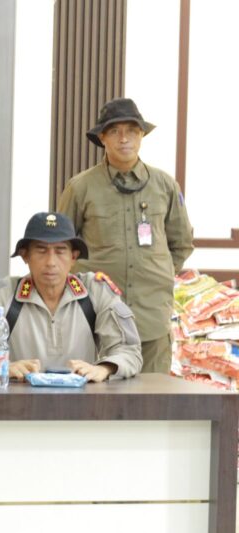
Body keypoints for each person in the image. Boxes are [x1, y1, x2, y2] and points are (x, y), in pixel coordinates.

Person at [58, 98, 194, 373]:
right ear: (102, 137)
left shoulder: (165, 185)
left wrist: (158, 273)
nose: (124, 138)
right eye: (115, 131)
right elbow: (60, 247)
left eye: (131, 130)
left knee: (153, 394)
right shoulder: (81, 187)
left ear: (141, 135)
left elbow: (181, 243)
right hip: (97, 317)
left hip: (152, 318)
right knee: (97, 392)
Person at [0, 212, 142, 382]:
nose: (51, 262)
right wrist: (1, 368)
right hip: (19, 401)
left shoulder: (96, 291)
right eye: (41, 251)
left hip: (83, 402)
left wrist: (104, 368)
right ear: (25, 256)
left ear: (73, 257)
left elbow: (129, 351)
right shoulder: (1, 295)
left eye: (60, 251)